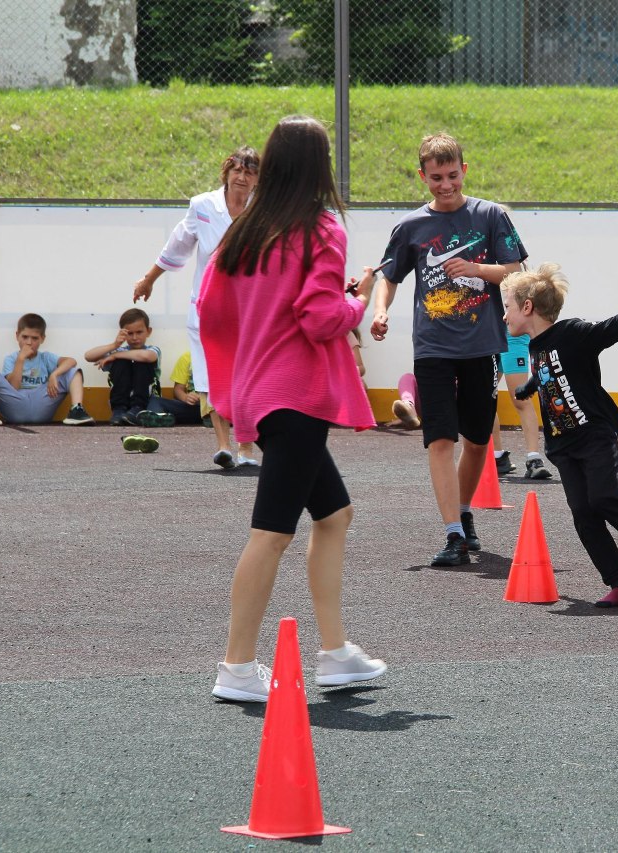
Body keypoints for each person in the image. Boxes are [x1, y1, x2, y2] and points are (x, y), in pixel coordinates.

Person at [198, 114, 386, 701]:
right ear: (320, 165)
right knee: (272, 533)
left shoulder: (244, 230)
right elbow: (319, 317)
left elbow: (210, 308)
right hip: (296, 396)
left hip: (261, 391)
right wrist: (360, 301)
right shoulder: (321, 229)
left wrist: (245, 362)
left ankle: (334, 653)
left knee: (334, 517)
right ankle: (236, 666)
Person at [365, 132, 528, 567]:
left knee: (476, 441)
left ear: (464, 171)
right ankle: (453, 533)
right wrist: (380, 312)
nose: (445, 184)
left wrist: (476, 268)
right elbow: (390, 277)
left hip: (482, 344)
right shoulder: (411, 227)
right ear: (423, 176)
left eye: (452, 175)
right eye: (435, 177)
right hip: (433, 347)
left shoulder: (491, 217)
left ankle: (464, 511)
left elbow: (517, 272)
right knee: (439, 439)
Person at [504, 263, 618, 607]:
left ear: (527, 308)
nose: (504, 316)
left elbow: (605, 331)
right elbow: (548, 375)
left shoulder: (572, 332)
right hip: (563, 445)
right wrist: (528, 388)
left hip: (594, 435)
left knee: (604, 499)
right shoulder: (534, 348)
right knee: (584, 515)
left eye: (508, 307)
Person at [132, 146, 260, 469]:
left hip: (250, 312)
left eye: (249, 172)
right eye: (237, 170)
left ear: (258, 178)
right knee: (209, 376)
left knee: (247, 378)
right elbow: (177, 245)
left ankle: (246, 450)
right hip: (208, 310)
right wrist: (149, 279)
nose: (242, 177)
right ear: (226, 173)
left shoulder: (264, 210)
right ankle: (223, 447)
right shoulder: (203, 206)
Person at [0, 313, 94, 426]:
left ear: (42, 338)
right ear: (17, 336)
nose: (29, 342)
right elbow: (13, 387)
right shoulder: (11, 359)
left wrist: (54, 374)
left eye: (34, 338)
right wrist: (21, 359)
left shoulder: (45, 357)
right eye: (25, 337)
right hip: (16, 404)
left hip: (41, 403)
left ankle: (77, 410)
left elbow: (71, 361)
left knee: (73, 371)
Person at [84, 307, 162, 426]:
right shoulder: (119, 350)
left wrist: (115, 356)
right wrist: (114, 345)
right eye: (130, 333)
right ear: (123, 333)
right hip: (122, 404)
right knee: (122, 361)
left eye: (139, 332)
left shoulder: (153, 349)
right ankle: (119, 410)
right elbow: (88, 356)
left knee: (140, 360)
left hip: (147, 402)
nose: (135, 338)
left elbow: (148, 357)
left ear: (149, 331)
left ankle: (138, 409)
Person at [491, 328, 551, 479]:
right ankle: (497, 457)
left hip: (513, 337)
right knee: (482, 399)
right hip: (487, 338)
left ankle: (534, 459)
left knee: (520, 398)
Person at [138, 350, 206, 427]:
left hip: (214, 407)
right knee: (156, 401)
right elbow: (178, 390)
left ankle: (212, 419)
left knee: (214, 409)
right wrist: (186, 398)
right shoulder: (188, 357)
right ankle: (160, 419)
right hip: (195, 408)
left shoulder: (221, 357)